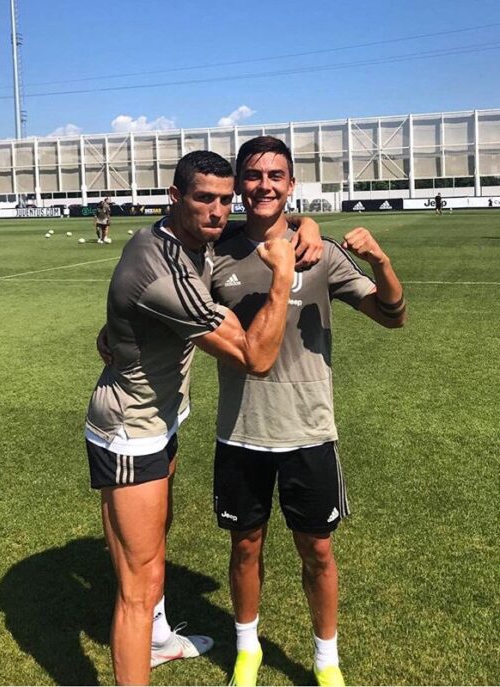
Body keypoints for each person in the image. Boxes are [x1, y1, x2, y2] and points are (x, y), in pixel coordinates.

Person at [86, 149, 323, 685]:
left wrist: (305, 225)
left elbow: (265, 224)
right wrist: (282, 277)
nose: (218, 212)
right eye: (203, 199)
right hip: (130, 431)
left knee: (156, 547)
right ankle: (141, 649)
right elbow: (255, 358)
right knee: (138, 584)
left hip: (160, 419)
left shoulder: (192, 236)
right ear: (176, 197)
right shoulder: (163, 273)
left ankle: (159, 639)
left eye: (225, 199)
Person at [209, 136, 406, 687]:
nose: (264, 185)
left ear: (291, 184)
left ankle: (326, 660)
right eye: (253, 175)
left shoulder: (319, 253)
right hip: (241, 430)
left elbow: (392, 316)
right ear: (239, 185)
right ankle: (247, 650)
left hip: (309, 430)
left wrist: (381, 260)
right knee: (244, 546)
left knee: (317, 550)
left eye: (275, 175)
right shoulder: (216, 253)